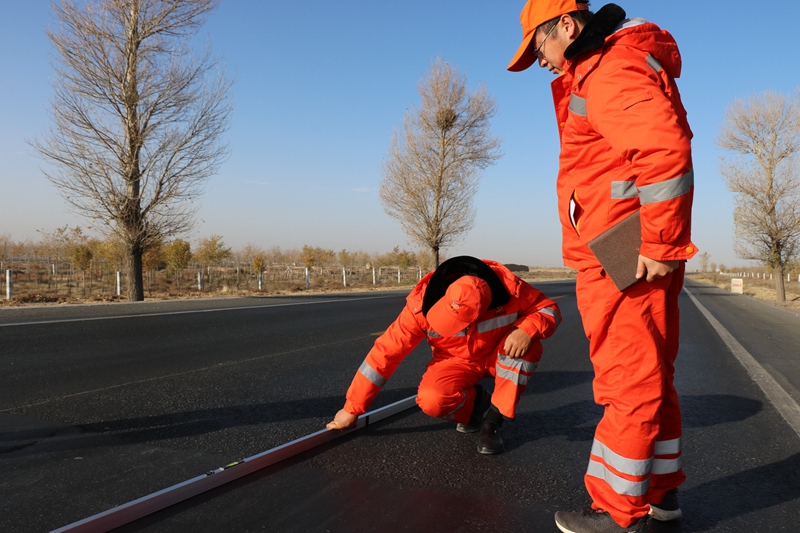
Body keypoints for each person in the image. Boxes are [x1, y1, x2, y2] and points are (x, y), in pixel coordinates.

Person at [507, 1, 696, 532]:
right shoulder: (609, 65)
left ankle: (616, 512)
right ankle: (660, 493)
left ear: (566, 26)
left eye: (538, 47)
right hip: (625, 244)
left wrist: (659, 242)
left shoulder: (609, 69)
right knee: (650, 376)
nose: (540, 62)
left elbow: (663, 152)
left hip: (621, 251)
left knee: (627, 381)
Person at [326, 255, 561, 455]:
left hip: (497, 353)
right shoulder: (421, 305)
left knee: (526, 348)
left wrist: (526, 330)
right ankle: (476, 404)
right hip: (454, 361)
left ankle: (493, 422)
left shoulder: (511, 289)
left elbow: (548, 308)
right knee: (431, 400)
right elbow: (385, 353)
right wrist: (352, 408)